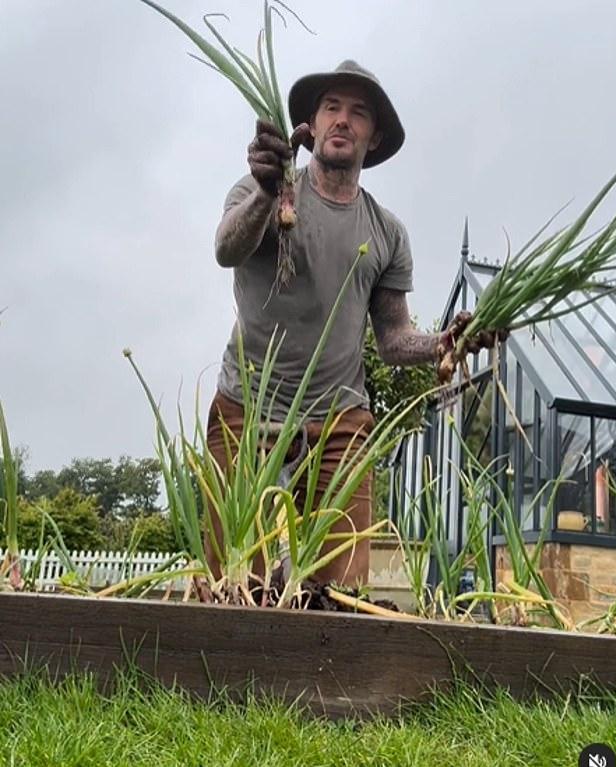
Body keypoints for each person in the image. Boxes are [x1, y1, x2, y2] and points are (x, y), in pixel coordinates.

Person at [207, 60, 493, 587]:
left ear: (373, 135)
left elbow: (392, 339)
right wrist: (270, 192)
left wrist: (445, 342)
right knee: (231, 582)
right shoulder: (261, 190)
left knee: (338, 589)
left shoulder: (386, 231)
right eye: (331, 108)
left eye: (358, 113)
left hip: (337, 419)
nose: (343, 120)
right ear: (310, 126)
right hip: (247, 408)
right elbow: (227, 249)